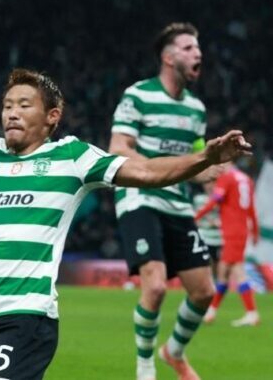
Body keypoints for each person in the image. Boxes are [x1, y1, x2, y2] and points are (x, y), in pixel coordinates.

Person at [0, 68, 250, 380]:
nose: (11, 113)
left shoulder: (73, 158)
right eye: (6, 105)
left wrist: (204, 158)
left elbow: (146, 171)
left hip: (24, 321)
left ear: (52, 116)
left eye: (24, 105)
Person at [108, 23, 216, 380]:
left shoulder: (196, 110)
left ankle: (174, 351)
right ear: (169, 58)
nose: (197, 53)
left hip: (178, 203)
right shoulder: (138, 95)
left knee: (203, 292)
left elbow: (197, 165)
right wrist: (157, 171)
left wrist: (215, 161)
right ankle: (145, 368)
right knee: (154, 286)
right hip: (139, 197)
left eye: (197, 48)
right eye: (188, 48)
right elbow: (119, 149)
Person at [195, 162, 261, 326]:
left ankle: (251, 313)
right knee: (224, 272)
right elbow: (251, 208)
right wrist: (255, 231)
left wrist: (197, 216)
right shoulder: (246, 179)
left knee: (237, 271)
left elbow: (214, 201)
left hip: (232, 231)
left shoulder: (227, 178)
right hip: (241, 229)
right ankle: (211, 312)